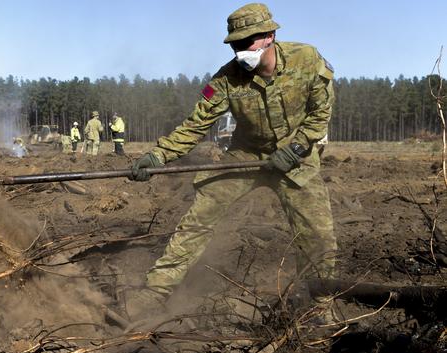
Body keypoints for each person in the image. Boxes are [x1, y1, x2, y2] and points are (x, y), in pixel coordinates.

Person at [129, 3, 337, 324]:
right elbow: (195, 125)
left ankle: (321, 303)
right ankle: (155, 292)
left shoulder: (306, 59)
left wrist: (295, 148)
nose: (242, 51)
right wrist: (158, 155)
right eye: (236, 44)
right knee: (199, 217)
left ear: (270, 35)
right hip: (245, 155)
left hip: (295, 158)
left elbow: (319, 113)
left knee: (316, 232)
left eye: (248, 42)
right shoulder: (225, 80)